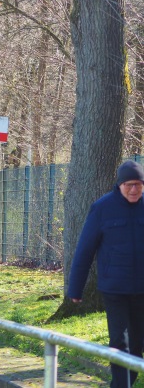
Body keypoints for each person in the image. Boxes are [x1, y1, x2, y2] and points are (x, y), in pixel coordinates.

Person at [68, 160, 144, 388]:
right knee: (119, 341)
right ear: (119, 185)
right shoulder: (102, 208)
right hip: (114, 288)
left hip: (141, 288)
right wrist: (75, 288)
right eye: (129, 185)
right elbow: (85, 249)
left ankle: (127, 382)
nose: (134, 190)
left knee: (137, 342)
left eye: (139, 185)